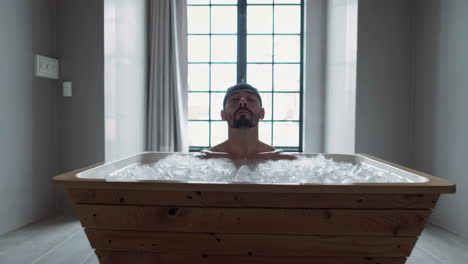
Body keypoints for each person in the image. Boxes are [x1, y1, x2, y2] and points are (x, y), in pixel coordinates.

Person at [200, 83, 296, 160]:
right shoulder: (206, 160)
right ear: (223, 114)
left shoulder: (282, 160)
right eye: (235, 99)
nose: (242, 102)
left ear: (262, 113)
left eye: (250, 99)